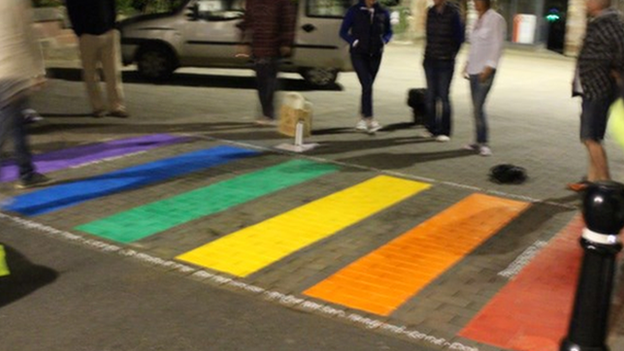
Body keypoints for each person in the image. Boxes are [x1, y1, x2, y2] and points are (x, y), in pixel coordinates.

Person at [567, 0, 624, 191]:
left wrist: (617, 71)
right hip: (590, 88)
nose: (585, 3)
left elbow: (621, 51)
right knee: (592, 137)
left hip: (599, 90)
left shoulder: (611, 23)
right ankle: (592, 180)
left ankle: (608, 187)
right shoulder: (600, 21)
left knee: (590, 138)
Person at [0, 0, 51, 188]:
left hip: (7, 71)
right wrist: (38, 70)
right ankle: (26, 173)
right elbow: (28, 36)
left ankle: (27, 172)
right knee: (6, 126)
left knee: (16, 125)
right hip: (12, 72)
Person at [236, 0, 296, 126]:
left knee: (268, 80)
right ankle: (267, 112)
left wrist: (286, 43)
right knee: (262, 80)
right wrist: (243, 41)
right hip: (258, 46)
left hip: (273, 45)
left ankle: (268, 113)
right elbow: (247, 21)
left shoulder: (280, 2)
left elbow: (288, 21)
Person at [65, 0, 128, 118]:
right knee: (90, 74)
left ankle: (117, 106)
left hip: (108, 32)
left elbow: (112, 5)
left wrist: (114, 26)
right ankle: (98, 107)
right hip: (87, 35)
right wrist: (80, 31)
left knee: (113, 72)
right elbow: (71, 10)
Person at [340, 0, 393, 134]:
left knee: (367, 87)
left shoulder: (383, 12)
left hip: (375, 54)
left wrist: (384, 40)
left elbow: (389, 31)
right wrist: (354, 41)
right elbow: (343, 31)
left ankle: (362, 118)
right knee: (367, 84)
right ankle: (369, 118)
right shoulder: (355, 10)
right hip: (359, 54)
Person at [462, 0, 505, 156]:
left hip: (485, 71)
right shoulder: (476, 19)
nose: (475, 3)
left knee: (478, 107)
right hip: (473, 68)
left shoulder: (495, 19)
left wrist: (489, 67)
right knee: (475, 108)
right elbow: (474, 45)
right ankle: (476, 140)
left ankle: (484, 142)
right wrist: (466, 63)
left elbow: (497, 45)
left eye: (478, 0)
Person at [422, 0, 464, 142]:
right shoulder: (431, 12)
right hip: (430, 59)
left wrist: (451, 54)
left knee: (443, 96)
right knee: (430, 96)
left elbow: (459, 37)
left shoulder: (453, 12)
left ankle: (444, 130)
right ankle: (431, 128)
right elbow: (428, 35)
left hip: (445, 60)